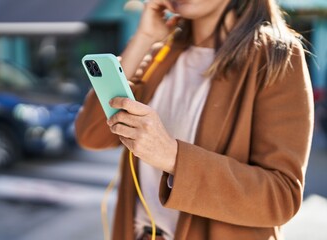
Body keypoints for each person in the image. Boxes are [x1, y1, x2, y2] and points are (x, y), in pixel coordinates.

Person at [75, 0, 314, 239]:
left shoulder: (276, 55)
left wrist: (173, 157)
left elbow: (281, 197)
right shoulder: (161, 52)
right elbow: (91, 134)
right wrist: (145, 37)